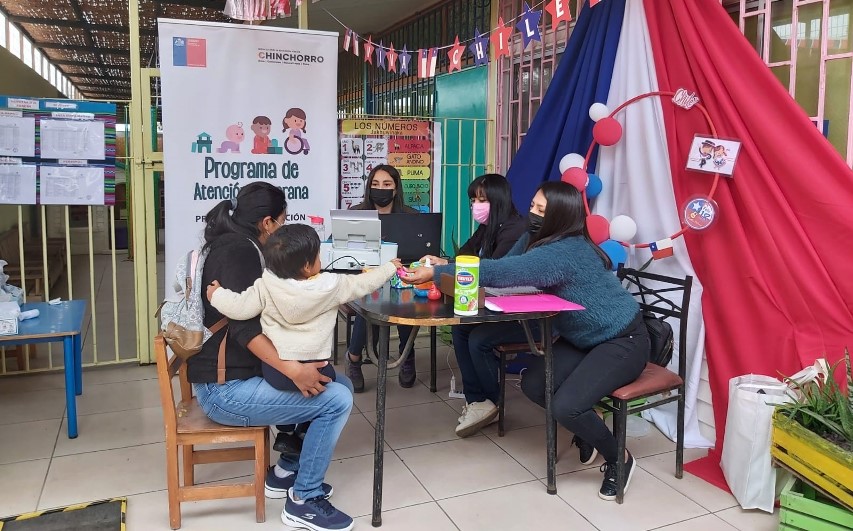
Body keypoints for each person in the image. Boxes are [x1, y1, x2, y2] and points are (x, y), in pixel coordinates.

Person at [403, 181, 648, 501]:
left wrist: (439, 273)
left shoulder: (566, 251)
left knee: (566, 406)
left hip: (622, 338)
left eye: (541, 211)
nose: (532, 214)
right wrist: (445, 265)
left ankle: (619, 458)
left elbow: (506, 272)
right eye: (533, 205)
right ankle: (588, 425)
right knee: (534, 385)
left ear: (560, 217)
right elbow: (506, 265)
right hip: (580, 338)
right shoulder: (534, 237)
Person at [187, 182, 355, 531]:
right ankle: (304, 500)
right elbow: (244, 330)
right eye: (281, 221)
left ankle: (285, 473)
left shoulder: (239, 244)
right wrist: (293, 371)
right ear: (267, 223)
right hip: (224, 391)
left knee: (337, 380)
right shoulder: (240, 252)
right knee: (335, 399)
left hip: (236, 375)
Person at [206, 223, 400, 392]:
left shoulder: (266, 284)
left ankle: (288, 430)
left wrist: (217, 295)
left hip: (276, 369)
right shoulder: (331, 286)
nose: (320, 260)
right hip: (317, 366)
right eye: (318, 256)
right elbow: (364, 283)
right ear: (307, 266)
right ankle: (302, 427)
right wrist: (390, 267)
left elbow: (239, 307)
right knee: (332, 388)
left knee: (298, 396)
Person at [418, 173, 526, 432]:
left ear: (498, 200)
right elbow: (465, 255)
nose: (475, 205)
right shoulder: (490, 226)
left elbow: (491, 271)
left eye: (481, 199)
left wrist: (438, 272)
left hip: (517, 309)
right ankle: (477, 399)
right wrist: (442, 263)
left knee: (478, 339)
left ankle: (490, 402)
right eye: (473, 200)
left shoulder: (515, 231)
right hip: (490, 302)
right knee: (461, 327)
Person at [345, 164, 419, 392]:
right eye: (376, 184)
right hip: (364, 278)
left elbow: (421, 251)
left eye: (387, 184)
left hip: (401, 278)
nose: (381, 189)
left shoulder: (411, 216)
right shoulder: (356, 214)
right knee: (370, 299)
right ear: (369, 188)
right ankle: (354, 358)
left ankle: (406, 355)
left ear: (396, 189)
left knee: (406, 300)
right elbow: (340, 248)